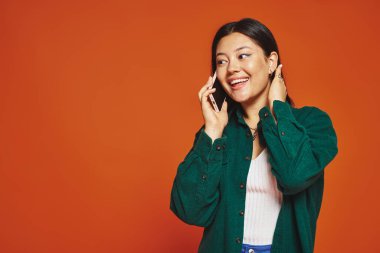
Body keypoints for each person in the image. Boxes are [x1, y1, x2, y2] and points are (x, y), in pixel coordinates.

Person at [170, 18, 338, 253]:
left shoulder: (312, 124)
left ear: (271, 62)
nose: (231, 68)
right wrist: (212, 131)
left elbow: (293, 177)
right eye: (222, 61)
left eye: (243, 55)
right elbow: (191, 210)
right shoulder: (218, 133)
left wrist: (278, 107)